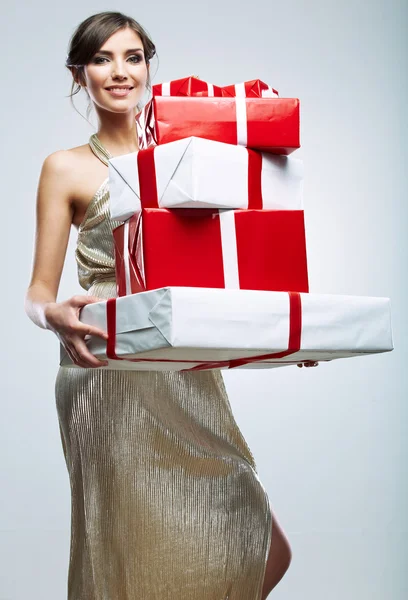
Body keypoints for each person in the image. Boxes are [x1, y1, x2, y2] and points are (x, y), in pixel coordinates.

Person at [25, 11, 317, 599]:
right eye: (103, 59)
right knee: (128, 539)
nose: (120, 72)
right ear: (79, 73)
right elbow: (38, 292)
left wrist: (288, 339)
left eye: (133, 57)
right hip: (106, 364)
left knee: (263, 543)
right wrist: (51, 316)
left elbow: (225, 265)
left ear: (148, 67)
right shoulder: (66, 167)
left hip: (181, 365)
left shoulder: (189, 157)